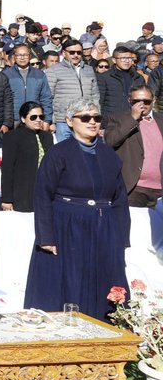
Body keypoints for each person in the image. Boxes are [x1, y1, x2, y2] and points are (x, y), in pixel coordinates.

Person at [24, 98, 128, 320]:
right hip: (67, 227)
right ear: (70, 121)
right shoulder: (58, 153)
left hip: (103, 227)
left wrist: (121, 237)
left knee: (102, 282)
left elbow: (120, 198)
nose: (92, 122)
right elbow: (43, 195)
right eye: (85, 117)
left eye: (97, 118)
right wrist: (46, 236)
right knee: (69, 281)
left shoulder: (109, 154)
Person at [105, 85, 163, 207]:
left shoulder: (160, 120)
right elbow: (110, 141)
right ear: (129, 101)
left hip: (160, 189)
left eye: (146, 101)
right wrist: (132, 118)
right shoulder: (118, 118)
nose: (142, 105)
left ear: (153, 100)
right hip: (134, 188)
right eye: (136, 101)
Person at [0, 102, 54, 212]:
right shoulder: (12, 136)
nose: (38, 120)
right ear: (23, 119)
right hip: (22, 194)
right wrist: (7, 199)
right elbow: (7, 169)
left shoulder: (47, 136)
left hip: (44, 192)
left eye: (41, 117)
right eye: (33, 117)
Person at [45, 39, 98, 142]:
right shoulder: (54, 70)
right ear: (64, 53)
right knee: (65, 150)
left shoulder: (88, 69)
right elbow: (48, 97)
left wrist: (95, 116)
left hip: (86, 119)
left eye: (79, 52)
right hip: (63, 121)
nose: (76, 55)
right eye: (72, 52)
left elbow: (95, 95)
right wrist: (51, 121)